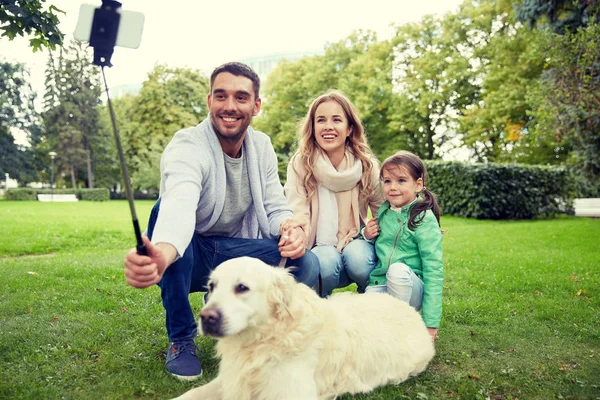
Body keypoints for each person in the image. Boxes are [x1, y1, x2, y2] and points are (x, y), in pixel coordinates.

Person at [123, 62, 320, 381]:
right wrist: (163, 250)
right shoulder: (187, 144)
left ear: (256, 106)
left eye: (241, 97)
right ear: (209, 100)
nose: (230, 106)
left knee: (305, 263)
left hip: (232, 250)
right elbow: (179, 202)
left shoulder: (263, 146)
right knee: (166, 216)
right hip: (186, 254)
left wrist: (289, 227)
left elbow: (274, 203)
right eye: (221, 96)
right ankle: (181, 339)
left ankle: (262, 335)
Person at [284, 90, 384, 297]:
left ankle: (372, 300)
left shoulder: (367, 166)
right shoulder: (301, 164)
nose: (328, 126)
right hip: (318, 244)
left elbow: (384, 210)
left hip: (357, 240)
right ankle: (321, 305)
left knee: (358, 258)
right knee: (325, 262)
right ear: (312, 127)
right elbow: (297, 210)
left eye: (336, 120)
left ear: (349, 128)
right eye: (321, 120)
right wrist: (297, 237)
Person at [363, 150, 444, 342]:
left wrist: (431, 324)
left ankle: (402, 325)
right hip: (382, 283)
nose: (393, 187)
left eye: (401, 180)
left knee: (398, 270)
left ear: (418, 184)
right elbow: (382, 243)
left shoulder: (424, 219)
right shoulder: (384, 212)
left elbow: (434, 271)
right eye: (387, 181)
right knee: (364, 317)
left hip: (410, 286)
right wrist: (366, 234)